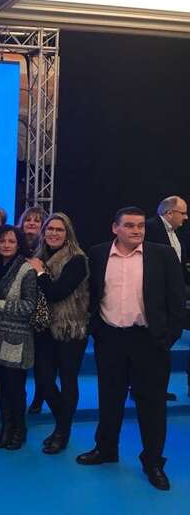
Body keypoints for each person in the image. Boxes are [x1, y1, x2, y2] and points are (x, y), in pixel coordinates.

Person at [76, 207, 184, 491]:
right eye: (130, 226)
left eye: (140, 226)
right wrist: (96, 330)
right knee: (109, 398)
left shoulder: (163, 255)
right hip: (109, 339)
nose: (137, 230)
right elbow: (92, 294)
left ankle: (153, 462)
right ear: (115, 228)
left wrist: (166, 339)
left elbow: (176, 300)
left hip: (149, 341)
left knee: (152, 405)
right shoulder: (98, 253)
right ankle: (106, 449)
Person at [27, 213, 90, 454]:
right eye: (50, 229)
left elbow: (56, 293)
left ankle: (62, 432)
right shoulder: (40, 256)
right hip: (44, 327)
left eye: (59, 229)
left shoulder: (77, 259)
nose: (53, 233)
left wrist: (40, 273)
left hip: (69, 329)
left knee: (67, 380)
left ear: (68, 233)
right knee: (44, 381)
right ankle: (63, 423)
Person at [0, 225, 37, 451]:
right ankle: (6, 428)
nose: (6, 245)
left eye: (11, 241)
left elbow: (29, 307)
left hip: (17, 337)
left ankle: (19, 429)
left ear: (19, 245)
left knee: (15, 388)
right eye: (2, 241)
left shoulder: (26, 269)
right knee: (2, 386)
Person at [145, 195, 190, 399]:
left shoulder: (177, 235)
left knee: (169, 339)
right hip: (156, 300)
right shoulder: (150, 228)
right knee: (154, 346)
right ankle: (143, 388)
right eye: (183, 213)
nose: (186, 217)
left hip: (174, 299)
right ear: (169, 212)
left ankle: (154, 388)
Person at [16, 205, 49, 415]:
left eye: (37, 220)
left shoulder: (48, 248)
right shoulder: (13, 244)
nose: (31, 223)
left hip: (41, 311)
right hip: (18, 310)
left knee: (41, 360)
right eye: (28, 219)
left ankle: (39, 398)